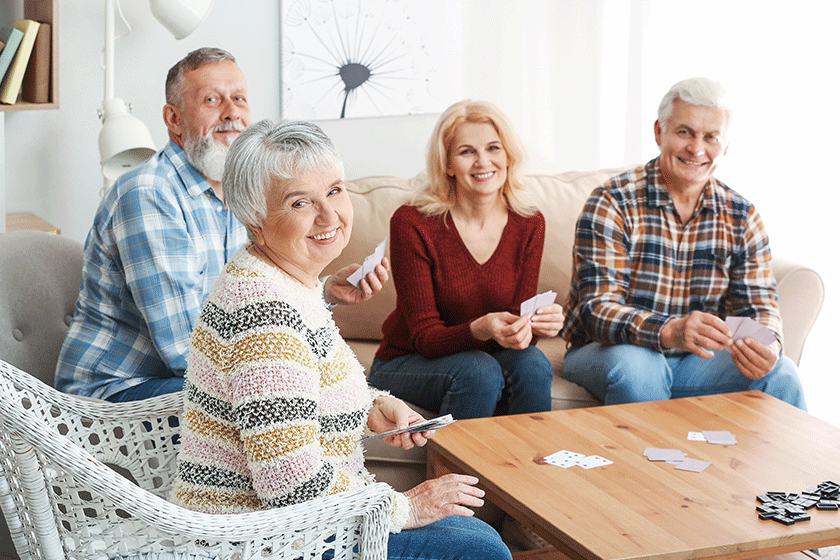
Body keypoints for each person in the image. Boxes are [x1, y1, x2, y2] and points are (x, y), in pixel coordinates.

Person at [170, 119, 512, 560]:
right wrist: (406, 506)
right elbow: (290, 484)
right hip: (260, 541)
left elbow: (295, 391)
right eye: (300, 203)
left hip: (287, 527)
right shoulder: (263, 314)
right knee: (478, 548)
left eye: (334, 190)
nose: (329, 216)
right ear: (256, 219)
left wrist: (372, 407)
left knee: (473, 540)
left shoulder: (285, 281)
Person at [55, 48, 387, 403]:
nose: (232, 113)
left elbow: (255, 303)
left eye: (239, 99)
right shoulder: (148, 195)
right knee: (279, 397)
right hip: (117, 393)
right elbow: (188, 351)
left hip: (188, 379)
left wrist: (325, 292)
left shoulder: (243, 189)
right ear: (174, 119)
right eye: (212, 100)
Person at [561, 77, 806, 410]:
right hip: (608, 352)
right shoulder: (612, 202)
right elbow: (596, 311)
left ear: (726, 146)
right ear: (659, 133)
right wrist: (669, 331)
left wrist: (769, 345)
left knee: (783, 372)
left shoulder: (742, 215)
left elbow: (759, 308)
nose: (697, 149)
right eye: (685, 132)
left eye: (711, 137)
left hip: (696, 362)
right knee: (641, 369)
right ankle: (645, 465)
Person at [368, 100, 561, 420]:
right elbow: (425, 338)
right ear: (447, 164)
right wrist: (480, 327)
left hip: (486, 357)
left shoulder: (529, 222)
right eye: (467, 151)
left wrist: (535, 325)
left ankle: (530, 467)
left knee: (534, 365)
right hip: (408, 361)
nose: (483, 161)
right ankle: (454, 469)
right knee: (479, 371)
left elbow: (516, 322)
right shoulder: (412, 222)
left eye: (493, 148)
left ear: (508, 156)